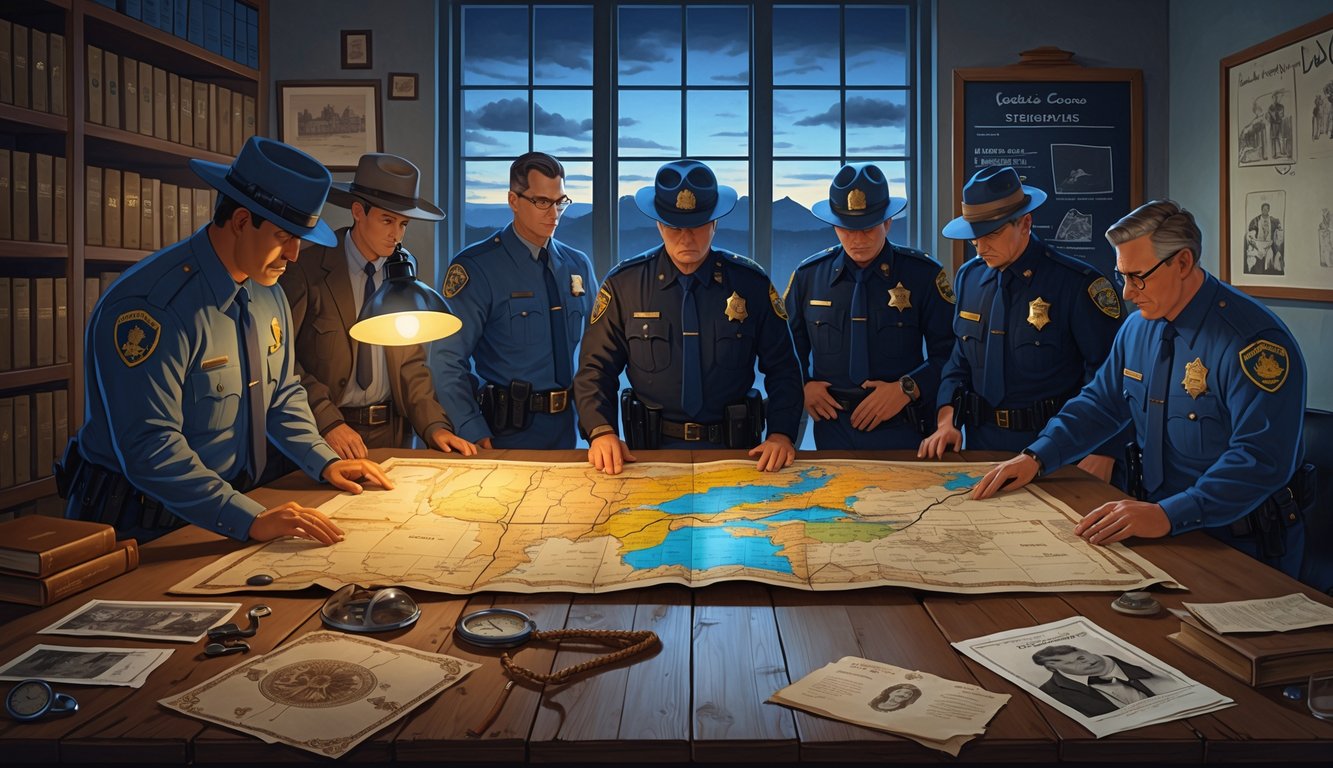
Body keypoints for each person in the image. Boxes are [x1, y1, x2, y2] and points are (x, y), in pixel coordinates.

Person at [57, 136, 392, 545]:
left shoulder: (267, 290)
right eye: (284, 236)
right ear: (239, 222)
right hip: (138, 524)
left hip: (232, 508)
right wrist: (249, 519)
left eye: (300, 239)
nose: (295, 254)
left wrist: (323, 461)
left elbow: (282, 394)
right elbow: (150, 447)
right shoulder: (153, 309)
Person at [972, 200, 1312, 577]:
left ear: (1182, 263)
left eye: (1138, 277)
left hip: (1243, 542)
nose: (1129, 293)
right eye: (1121, 277)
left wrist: (1169, 515)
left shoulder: (1253, 344)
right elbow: (1099, 404)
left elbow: (1259, 458)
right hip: (1157, 525)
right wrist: (1036, 458)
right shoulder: (1138, 328)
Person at [574, 159, 803, 475]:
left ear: (714, 224)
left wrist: (781, 433)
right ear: (658, 225)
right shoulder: (624, 285)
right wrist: (601, 431)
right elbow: (595, 369)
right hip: (648, 454)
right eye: (674, 226)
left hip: (737, 451)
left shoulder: (751, 284)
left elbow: (784, 368)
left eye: (696, 226)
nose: (686, 238)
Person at [919, 166, 1127, 485]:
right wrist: (947, 420)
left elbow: (1110, 377)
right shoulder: (970, 279)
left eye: (992, 233)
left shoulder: (1076, 285)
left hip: (1058, 452)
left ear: (1025, 223)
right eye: (975, 235)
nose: (980, 245)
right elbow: (959, 360)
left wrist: (1103, 450)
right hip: (982, 446)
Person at [279, 153, 475, 459]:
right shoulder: (307, 268)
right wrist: (327, 421)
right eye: (387, 220)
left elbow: (412, 364)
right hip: (329, 434)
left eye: (403, 224)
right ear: (358, 211)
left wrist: (436, 427)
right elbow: (282, 362)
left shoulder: (405, 270)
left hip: (392, 433)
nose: (395, 234)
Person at [430, 152, 595, 449]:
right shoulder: (476, 267)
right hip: (504, 431)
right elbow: (446, 360)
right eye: (542, 202)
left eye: (560, 202)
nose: (553, 213)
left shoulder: (577, 265)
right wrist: (471, 427)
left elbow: (596, 354)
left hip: (568, 430)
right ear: (513, 201)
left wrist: (598, 426)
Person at [784, 163, 954, 449]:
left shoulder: (922, 275)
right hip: (831, 427)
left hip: (903, 426)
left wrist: (908, 388)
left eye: (868, 228)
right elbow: (786, 351)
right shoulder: (809, 276)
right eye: (847, 228)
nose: (857, 238)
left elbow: (952, 354)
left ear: (887, 222)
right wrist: (803, 386)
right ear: (835, 225)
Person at [1031, 645, 1169, 717]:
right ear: (1051, 668)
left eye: (1083, 656)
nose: (1090, 662)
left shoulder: (1144, 666)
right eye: (1071, 663)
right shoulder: (1049, 694)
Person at [1245, 202, 1282, 274]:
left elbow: (1278, 224)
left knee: (1270, 255)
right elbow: (1251, 233)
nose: (1265, 210)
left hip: (1269, 243)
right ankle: (1259, 273)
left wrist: (1279, 226)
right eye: (1264, 209)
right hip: (1259, 243)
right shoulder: (1255, 220)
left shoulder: (1273, 220)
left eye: (1267, 209)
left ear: (1269, 210)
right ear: (1261, 210)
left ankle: (1267, 273)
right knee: (1258, 255)